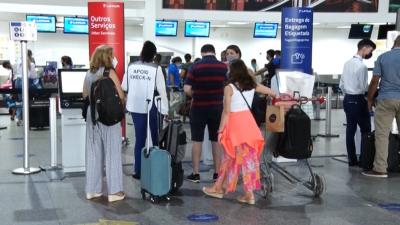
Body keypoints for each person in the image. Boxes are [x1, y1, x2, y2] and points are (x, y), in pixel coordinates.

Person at [202, 59, 276, 205]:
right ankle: (220, 188)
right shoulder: (252, 84)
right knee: (246, 160)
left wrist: (220, 129)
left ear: (232, 71)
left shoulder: (229, 88)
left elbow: (226, 111)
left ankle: (245, 194)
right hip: (249, 124)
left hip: (235, 125)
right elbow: (272, 92)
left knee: (230, 157)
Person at [82, 45, 125, 202]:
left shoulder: (89, 73)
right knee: (112, 152)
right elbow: (120, 94)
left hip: (92, 115)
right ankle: (114, 192)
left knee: (93, 152)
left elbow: (85, 94)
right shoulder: (110, 72)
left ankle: (92, 190)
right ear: (107, 57)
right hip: (109, 116)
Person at [122, 41, 168, 179]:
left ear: (141, 52)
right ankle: (155, 168)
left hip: (135, 106)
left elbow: (124, 86)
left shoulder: (131, 66)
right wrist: (165, 110)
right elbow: (162, 90)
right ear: (154, 55)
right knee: (155, 138)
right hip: (152, 105)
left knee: (140, 139)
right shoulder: (156, 68)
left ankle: (138, 171)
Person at [184, 44, 228, 183]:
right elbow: (228, 87)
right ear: (214, 52)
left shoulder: (195, 66)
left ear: (202, 53)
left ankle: (196, 174)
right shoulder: (223, 67)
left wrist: (196, 95)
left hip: (198, 107)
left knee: (197, 140)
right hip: (217, 107)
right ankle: (217, 173)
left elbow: (186, 88)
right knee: (216, 141)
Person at [362, 36, 400, 178]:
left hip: (386, 99)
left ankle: (380, 169)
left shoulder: (383, 57)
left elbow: (374, 81)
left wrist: (370, 99)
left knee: (382, 135)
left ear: (394, 43)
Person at [339, 39, 376, 167]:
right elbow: (364, 87)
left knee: (350, 130)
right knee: (366, 130)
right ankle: (364, 160)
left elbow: (341, 84)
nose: (370, 53)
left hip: (347, 100)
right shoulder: (362, 66)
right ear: (365, 48)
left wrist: (348, 94)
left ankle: (352, 160)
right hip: (358, 100)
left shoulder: (346, 63)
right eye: (371, 50)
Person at [14, 49, 38, 126]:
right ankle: (26, 119)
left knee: (20, 101)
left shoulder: (18, 62)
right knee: (27, 100)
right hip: (26, 82)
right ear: (30, 55)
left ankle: (18, 117)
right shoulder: (31, 64)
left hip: (18, 81)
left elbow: (15, 73)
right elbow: (33, 76)